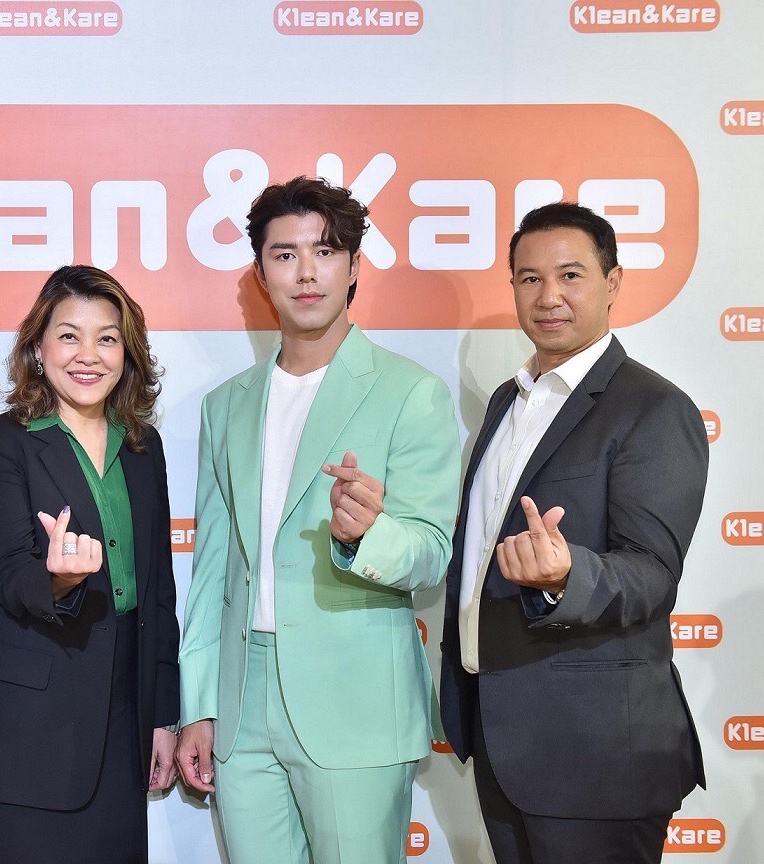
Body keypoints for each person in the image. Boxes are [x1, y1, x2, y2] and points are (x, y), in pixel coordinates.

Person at [176, 176, 460, 863]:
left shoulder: (410, 392)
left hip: (355, 700)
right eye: (285, 254)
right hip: (241, 707)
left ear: (354, 266)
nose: (306, 272)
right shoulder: (226, 405)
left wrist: (368, 534)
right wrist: (199, 704)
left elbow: (431, 552)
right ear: (260, 273)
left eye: (325, 252)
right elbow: (213, 566)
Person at [438, 202, 708, 864]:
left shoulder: (653, 408)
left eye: (570, 275)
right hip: (505, 736)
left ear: (612, 283)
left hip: (596, 755)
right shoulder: (507, 401)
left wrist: (566, 576)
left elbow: (652, 573)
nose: (548, 296)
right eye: (529, 279)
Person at [0, 265, 180, 864]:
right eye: (68, 336)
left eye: (107, 338)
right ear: (37, 347)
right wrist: (60, 578)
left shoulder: (143, 446)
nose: (88, 356)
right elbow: (11, 574)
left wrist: (163, 715)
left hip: (124, 719)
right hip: (27, 728)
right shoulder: (0, 441)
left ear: (127, 354)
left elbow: (158, 590)